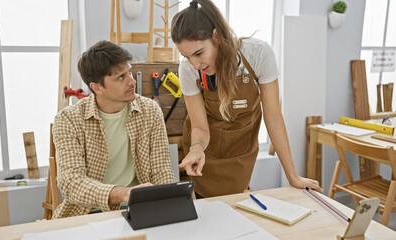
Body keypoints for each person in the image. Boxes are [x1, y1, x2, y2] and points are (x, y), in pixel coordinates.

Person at [171, 0, 323, 198]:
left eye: (199, 53)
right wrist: (196, 149)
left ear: (217, 36)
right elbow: (199, 127)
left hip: (242, 153)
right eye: (186, 57)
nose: (194, 64)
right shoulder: (188, 71)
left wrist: (292, 176)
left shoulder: (259, 55)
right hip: (206, 156)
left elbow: (274, 118)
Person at [52, 40, 176, 218]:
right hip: (86, 212)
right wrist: (123, 193)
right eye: (121, 77)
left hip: (138, 208)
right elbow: (71, 183)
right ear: (97, 87)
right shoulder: (68, 120)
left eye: (130, 72)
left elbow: (161, 170)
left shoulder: (150, 110)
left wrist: (169, 205)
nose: (132, 81)